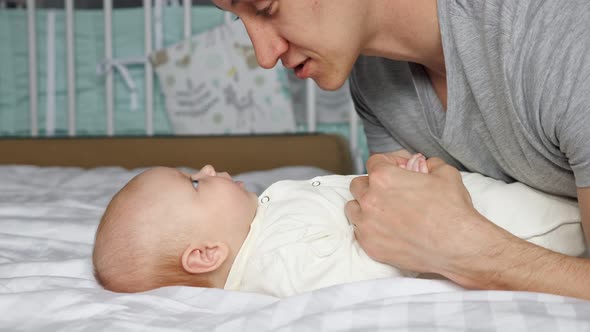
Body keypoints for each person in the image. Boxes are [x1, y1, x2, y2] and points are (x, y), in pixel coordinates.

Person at [210, 0, 590, 299]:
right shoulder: (374, 81)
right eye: (237, 18)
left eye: (265, 8)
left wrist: (470, 251)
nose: (264, 55)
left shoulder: (561, 38)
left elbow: (443, 245)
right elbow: (408, 256)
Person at [93, 156, 584, 297]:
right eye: (193, 185)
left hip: (476, 206)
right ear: (206, 254)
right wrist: (411, 195)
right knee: (558, 218)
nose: (206, 170)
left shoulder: (265, 223)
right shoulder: (281, 262)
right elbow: (373, 264)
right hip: (516, 233)